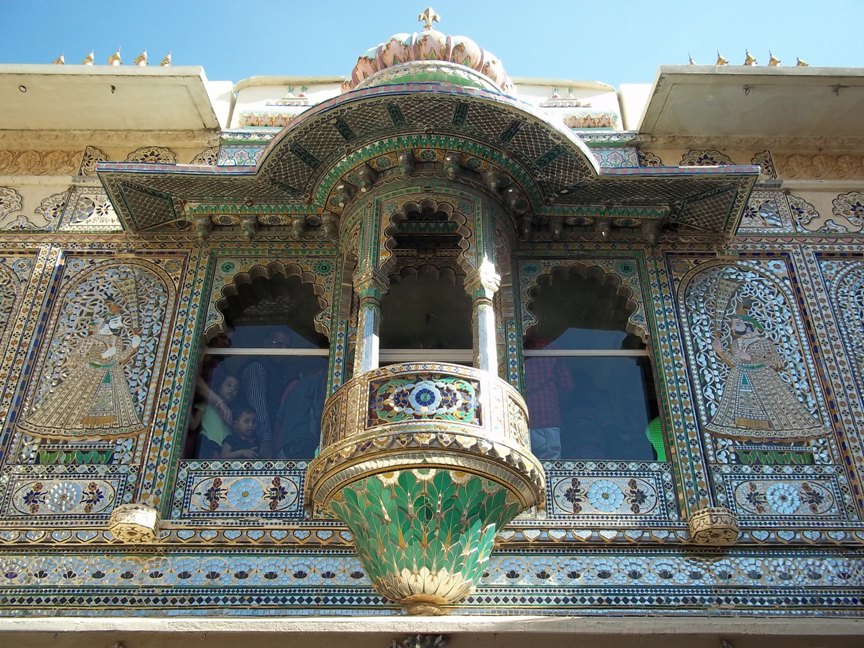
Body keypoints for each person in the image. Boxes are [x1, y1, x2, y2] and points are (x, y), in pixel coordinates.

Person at [18, 300, 143, 439]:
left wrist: (132, 347)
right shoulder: (91, 339)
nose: (120, 325)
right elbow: (75, 359)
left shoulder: (117, 340)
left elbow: (119, 358)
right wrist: (102, 356)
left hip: (112, 373)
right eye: (116, 322)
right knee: (80, 405)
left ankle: (99, 431)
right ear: (106, 322)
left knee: (105, 406)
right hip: (90, 373)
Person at [707, 310, 827, 440]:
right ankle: (746, 429)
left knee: (775, 407)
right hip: (741, 377)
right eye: (733, 325)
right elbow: (735, 362)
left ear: (748, 324)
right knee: (743, 406)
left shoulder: (763, 342)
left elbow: (776, 363)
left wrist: (750, 358)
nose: (732, 328)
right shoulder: (736, 344)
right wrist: (721, 351)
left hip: (763, 378)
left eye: (736, 324)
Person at [190, 373, 240, 459]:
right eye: (228, 385)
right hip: (208, 445)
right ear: (219, 386)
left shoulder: (233, 413)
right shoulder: (206, 404)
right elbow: (193, 424)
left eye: (236, 388)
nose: (232, 389)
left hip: (224, 451)